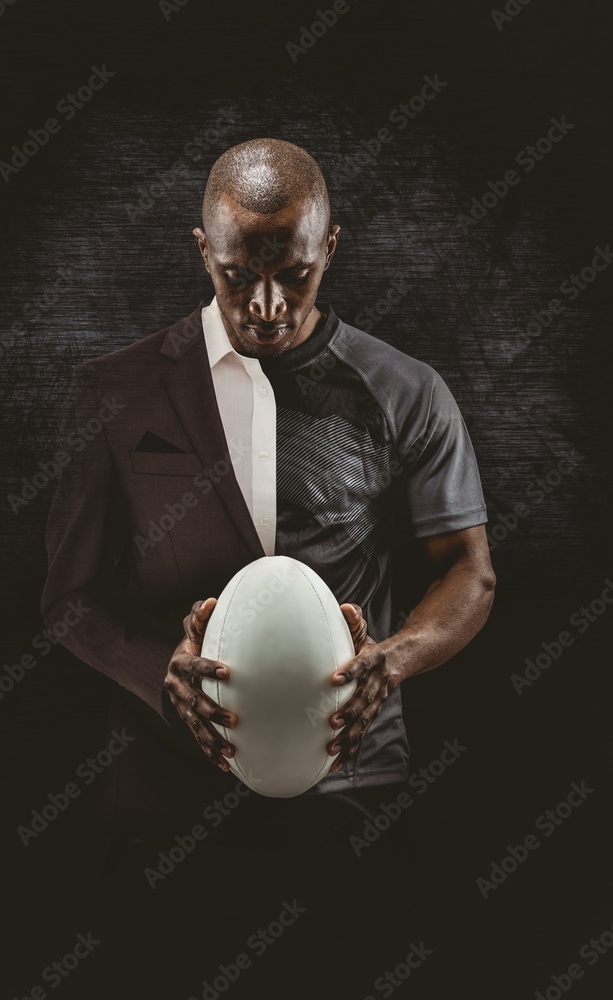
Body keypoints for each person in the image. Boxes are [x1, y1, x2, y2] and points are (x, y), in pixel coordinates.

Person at [40, 138, 495, 985]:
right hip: (169, 801)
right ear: (201, 252)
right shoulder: (114, 391)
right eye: (235, 273)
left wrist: (387, 664)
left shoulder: (405, 392)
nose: (266, 303)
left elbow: (469, 571)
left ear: (329, 247)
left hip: (352, 789)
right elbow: (68, 599)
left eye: (292, 272)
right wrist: (163, 677)